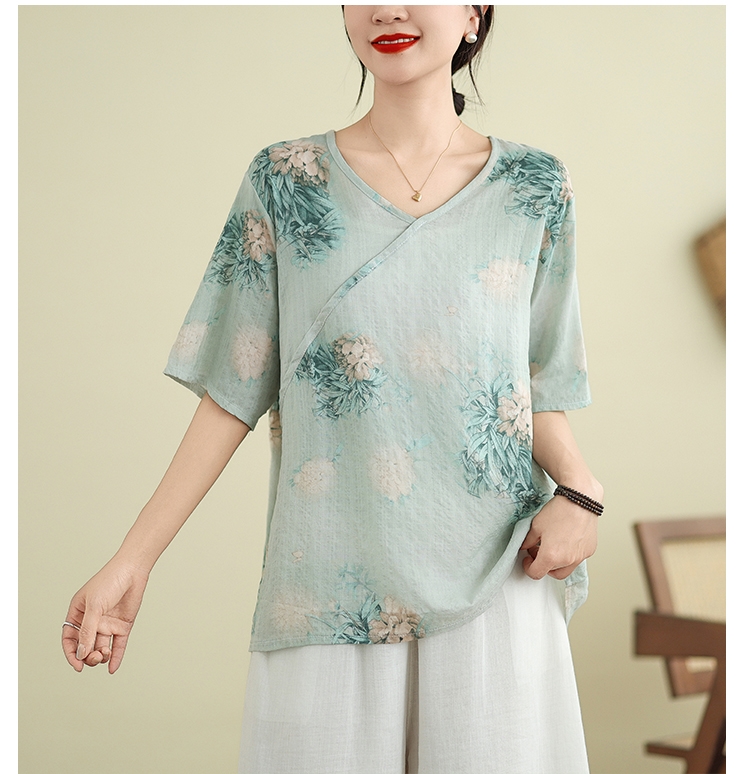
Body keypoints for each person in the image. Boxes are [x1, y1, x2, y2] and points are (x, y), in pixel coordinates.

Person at [62, 6, 603, 773]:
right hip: (326, 583)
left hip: (496, 579)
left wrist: (581, 492)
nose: (388, 9)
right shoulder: (285, 181)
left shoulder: (535, 187)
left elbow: (535, 385)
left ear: (474, 12)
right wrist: (133, 560)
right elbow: (232, 390)